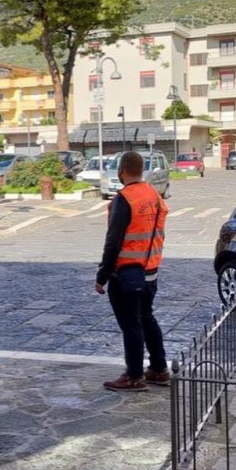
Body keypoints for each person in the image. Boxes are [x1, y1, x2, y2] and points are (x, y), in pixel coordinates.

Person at [95, 150, 169, 392]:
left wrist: (102, 276)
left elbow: (113, 242)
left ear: (122, 171)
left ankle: (134, 375)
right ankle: (159, 368)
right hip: (150, 271)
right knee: (146, 317)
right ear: (142, 169)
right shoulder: (154, 195)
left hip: (126, 273)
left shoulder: (124, 199)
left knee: (131, 324)